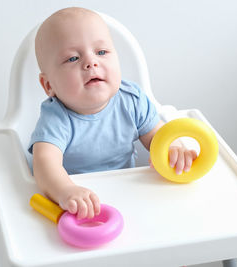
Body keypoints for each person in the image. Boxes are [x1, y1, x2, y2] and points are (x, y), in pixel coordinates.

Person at [28, 7, 197, 220]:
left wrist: (173, 151)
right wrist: (65, 191)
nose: (91, 62)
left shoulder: (131, 100)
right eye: (72, 58)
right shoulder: (56, 118)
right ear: (48, 84)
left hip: (129, 197)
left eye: (101, 52)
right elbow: (45, 166)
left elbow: (158, 138)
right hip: (80, 208)